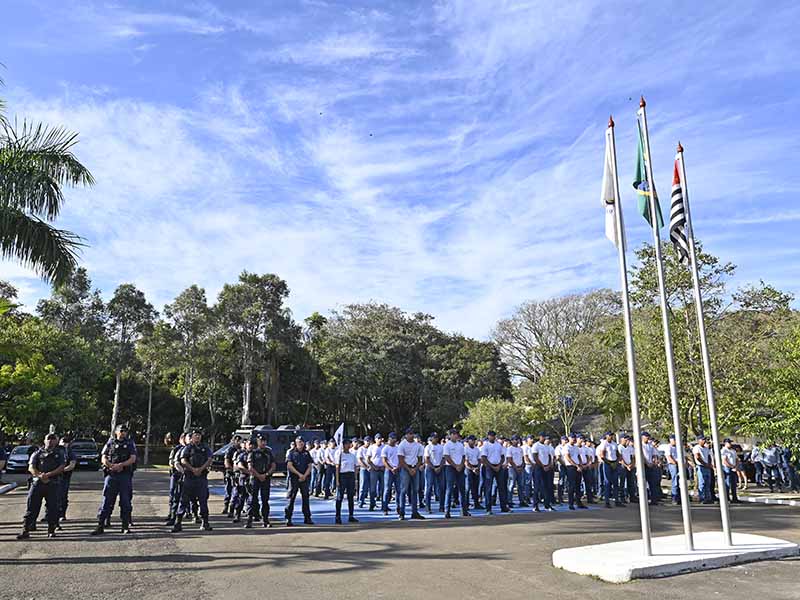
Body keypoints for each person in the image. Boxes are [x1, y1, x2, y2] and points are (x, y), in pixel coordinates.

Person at [17, 433, 66, 540]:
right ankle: (25, 530)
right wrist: (40, 475)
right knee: (31, 508)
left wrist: (48, 475)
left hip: (53, 483)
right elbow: (31, 467)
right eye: (48, 438)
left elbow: (62, 467)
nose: (50, 441)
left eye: (53, 439)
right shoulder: (37, 453)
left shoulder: (60, 453)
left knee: (53, 508)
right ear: (44, 440)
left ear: (56, 441)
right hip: (37, 483)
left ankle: (51, 530)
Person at [92, 424, 137, 535]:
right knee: (106, 501)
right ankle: (100, 525)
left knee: (125, 501)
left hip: (124, 475)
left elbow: (133, 458)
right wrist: (110, 465)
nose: (123, 433)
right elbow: (103, 456)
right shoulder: (110, 442)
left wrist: (121, 465)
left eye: (125, 431)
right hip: (111, 475)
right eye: (121, 431)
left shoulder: (130, 443)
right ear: (116, 432)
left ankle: (125, 526)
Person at [173, 428, 213, 532]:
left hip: (201, 477)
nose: (197, 437)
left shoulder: (205, 448)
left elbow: (209, 459)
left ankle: (205, 522)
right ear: (192, 437)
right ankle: (178, 523)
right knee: (184, 500)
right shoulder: (188, 448)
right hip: (189, 477)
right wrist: (193, 469)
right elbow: (183, 460)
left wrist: (200, 469)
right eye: (195, 435)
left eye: (199, 435)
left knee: (203, 500)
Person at [246, 434, 276, 528]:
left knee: (265, 500)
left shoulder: (269, 452)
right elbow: (250, 467)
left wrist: (266, 474)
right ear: (258, 442)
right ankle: (249, 519)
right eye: (261, 441)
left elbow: (273, 465)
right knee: (253, 499)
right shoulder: (253, 453)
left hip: (266, 478)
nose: (263, 442)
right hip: (255, 478)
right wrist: (259, 475)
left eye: (264, 441)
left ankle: (265, 520)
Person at [396, 428, 425, 521]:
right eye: (409, 434)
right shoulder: (402, 445)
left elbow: (420, 458)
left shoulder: (418, 445)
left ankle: (414, 512)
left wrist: (415, 469)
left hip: (414, 468)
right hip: (405, 468)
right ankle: (402, 512)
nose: (411, 435)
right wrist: (409, 469)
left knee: (415, 490)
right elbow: (401, 459)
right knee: (403, 490)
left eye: (412, 433)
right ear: (406, 435)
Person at [285, 437, 314, 526]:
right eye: (299, 442)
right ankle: (288, 518)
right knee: (291, 498)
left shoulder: (306, 453)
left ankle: (307, 517)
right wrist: (299, 474)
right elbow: (289, 465)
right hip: (294, 478)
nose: (300, 444)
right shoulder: (291, 453)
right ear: (296, 443)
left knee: (305, 498)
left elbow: (310, 466)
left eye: (302, 442)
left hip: (304, 479)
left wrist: (304, 475)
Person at [442, 429, 469, 518]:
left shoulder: (460, 445)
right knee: (449, 489)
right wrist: (455, 466)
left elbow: (463, 456)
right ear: (450, 435)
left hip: (460, 468)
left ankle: (464, 510)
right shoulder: (447, 445)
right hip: (450, 467)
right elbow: (447, 457)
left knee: (462, 489)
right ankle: (447, 511)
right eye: (453, 434)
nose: (455, 435)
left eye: (456, 434)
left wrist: (461, 465)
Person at [480, 430, 509, 514]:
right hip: (489, 467)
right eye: (490, 436)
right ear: (488, 436)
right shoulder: (485, 445)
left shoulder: (498, 445)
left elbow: (502, 456)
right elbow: (484, 458)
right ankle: (488, 508)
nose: (492, 437)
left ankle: (503, 507)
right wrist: (492, 466)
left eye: (493, 436)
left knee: (501, 487)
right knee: (488, 488)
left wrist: (499, 465)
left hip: (498, 467)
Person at [334, 438, 359, 524]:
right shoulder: (339, 454)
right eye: (347, 444)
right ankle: (338, 516)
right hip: (342, 475)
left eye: (349, 444)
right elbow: (337, 467)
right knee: (340, 497)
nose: (349, 445)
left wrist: (355, 479)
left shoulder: (352, 455)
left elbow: (355, 467)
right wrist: (337, 480)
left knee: (350, 497)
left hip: (350, 475)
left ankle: (351, 515)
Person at [230, 438, 253, 523]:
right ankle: (237, 514)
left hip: (254, 479)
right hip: (243, 478)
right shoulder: (241, 454)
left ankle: (252, 515)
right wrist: (250, 472)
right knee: (240, 497)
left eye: (252, 444)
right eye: (249, 444)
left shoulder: (257, 454)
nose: (251, 446)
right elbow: (238, 466)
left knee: (252, 499)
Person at [166, 433, 187, 526]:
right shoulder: (176, 449)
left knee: (188, 496)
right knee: (174, 494)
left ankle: (189, 512)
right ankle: (172, 514)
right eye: (182, 438)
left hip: (188, 476)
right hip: (176, 475)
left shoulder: (190, 449)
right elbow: (171, 462)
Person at [597, 431, 622, 508]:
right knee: (607, 482)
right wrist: (610, 463)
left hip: (614, 462)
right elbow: (602, 455)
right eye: (609, 435)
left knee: (615, 482)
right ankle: (607, 501)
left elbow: (618, 454)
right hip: (607, 463)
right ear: (606, 436)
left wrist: (616, 462)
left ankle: (617, 500)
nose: (611, 437)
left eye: (612, 435)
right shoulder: (604, 444)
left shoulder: (614, 444)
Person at [58, 433, 78, 525]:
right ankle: (48, 514)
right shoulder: (56, 451)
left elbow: (72, 465)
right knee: (50, 497)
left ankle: (62, 514)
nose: (64, 443)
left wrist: (61, 470)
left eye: (66, 442)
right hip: (53, 477)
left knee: (62, 496)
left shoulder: (70, 452)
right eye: (63, 441)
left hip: (64, 477)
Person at [423, 432, 445, 513]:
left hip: (440, 467)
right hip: (430, 468)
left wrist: (440, 467)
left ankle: (441, 506)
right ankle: (428, 507)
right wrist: (434, 468)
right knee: (429, 488)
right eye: (434, 437)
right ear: (431, 438)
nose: (435, 439)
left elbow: (444, 458)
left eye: (436, 437)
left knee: (441, 488)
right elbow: (427, 459)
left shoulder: (441, 447)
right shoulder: (428, 447)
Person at [564, 432, 586, 510]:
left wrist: (580, 464)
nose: (574, 439)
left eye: (574, 438)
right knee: (572, 486)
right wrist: (576, 465)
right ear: (569, 438)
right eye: (572, 438)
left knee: (578, 486)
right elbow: (568, 458)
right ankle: (571, 503)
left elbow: (579, 456)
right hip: (571, 467)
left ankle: (579, 502)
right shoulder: (567, 447)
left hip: (578, 467)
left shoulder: (576, 447)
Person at [222, 434, 242, 515]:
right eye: (236, 440)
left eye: (239, 440)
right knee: (228, 491)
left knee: (237, 492)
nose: (238, 442)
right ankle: (226, 506)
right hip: (230, 473)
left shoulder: (241, 450)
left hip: (238, 474)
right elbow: (226, 462)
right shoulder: (230, 450)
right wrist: (232, 470)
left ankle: (236, 508)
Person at [381, 432, 400, 515]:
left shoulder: (398, 448)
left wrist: (397, 467)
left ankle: (398, 507)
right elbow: (384, 461)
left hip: (398, 470)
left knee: (398, 490)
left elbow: (401, 459)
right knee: (387, 489)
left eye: (395, 438)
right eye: (393, 438)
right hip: (388, 470)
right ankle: (385, 508)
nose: (394, 440)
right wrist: (391, 468)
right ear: (389, 439)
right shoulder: (385, 448)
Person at [505, 435, 526, 508]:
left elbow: (523, 458)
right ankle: (509, 501)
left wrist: (522, 466)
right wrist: (516, 467)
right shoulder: (509, 449)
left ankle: (522, 501)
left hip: (520, 468)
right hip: (512, 468)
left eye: (517, 439)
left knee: (521, 485)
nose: (516, 441)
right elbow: (509, 459)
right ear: (512, 441)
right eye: (515, 440)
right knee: (511, 485)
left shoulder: (520, 449)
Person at [692, 435, 714, 504]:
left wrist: (709, 464)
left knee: (708, 483)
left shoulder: (706, 448)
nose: (704, 441)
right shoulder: (696, 448)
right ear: (699, 440)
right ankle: (702, 498)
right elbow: (697, 457)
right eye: (703, 440)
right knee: (702, 483)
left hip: (707, 467)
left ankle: (708, 498)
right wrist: (705, 464)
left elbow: (709, 456)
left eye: (705, 440)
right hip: (701, 466)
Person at [464, 435, 483, 510]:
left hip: (476, 467)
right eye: (472, 440)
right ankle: (466, 504)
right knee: (467, 487)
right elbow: (466, 461)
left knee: (476, 487)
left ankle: (476, 503)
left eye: (474, 440)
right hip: (468, 468)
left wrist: (478, 467)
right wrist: (472, 469)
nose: (473, 441)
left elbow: (479, 459)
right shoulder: (465, 449)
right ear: (468, 441)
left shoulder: (477, 449)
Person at [367, 433, 385, 511]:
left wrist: (384, 466)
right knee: (373, 488)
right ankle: (372, 504)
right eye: (378, 438)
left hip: (383, 469)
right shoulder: (371, 447)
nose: (379, 440)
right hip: (374, 469)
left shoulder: (384, 447)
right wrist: (374, 466)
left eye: (380, 438)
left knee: (384, 488)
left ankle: (384, 505)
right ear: (375, 439)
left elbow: (387, 458)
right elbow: (368, 459)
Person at [721, 438, 741, 504]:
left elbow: (737, 459)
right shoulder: (724, 450)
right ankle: (727, 498)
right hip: (727, 468)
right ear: (725, 443)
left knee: (734, 484)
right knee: (727, 483)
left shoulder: (733, 451)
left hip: (734, 468)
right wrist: (731, 466)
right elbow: (724, 460)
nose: (730, 444)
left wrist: (736, 466)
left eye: (730, 442)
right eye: (729, 443)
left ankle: (734, 498)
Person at [357, 436, 372, 507]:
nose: (368, 442)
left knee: (372, 486)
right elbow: (360, 460)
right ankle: (360, 501)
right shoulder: (361, 449)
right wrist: (366, 467)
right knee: (363, 485)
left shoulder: (371, 448)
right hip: (364, 469)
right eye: (367, 441)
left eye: (369, 441)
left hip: (372, 468)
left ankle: (372, 502)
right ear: (364, 441)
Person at [555, 436, 569, 504]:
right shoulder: (558, 448)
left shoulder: (568, 447)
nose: (566, 441)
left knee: (568, 481)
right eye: (564, 440)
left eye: (566, 440)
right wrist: (565, 464)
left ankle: (569, 496)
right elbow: (558, 458)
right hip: (562, 465)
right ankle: (560, 497)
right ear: (561, 440)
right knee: (561, 481)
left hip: (568, 465)